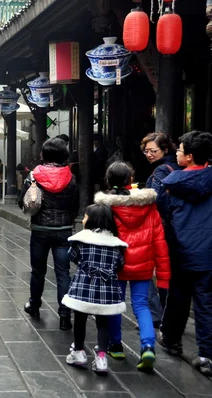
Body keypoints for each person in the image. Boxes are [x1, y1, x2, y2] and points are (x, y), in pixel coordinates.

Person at [94, 161, 170, 372]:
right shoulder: (148, 204)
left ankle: (115, 345)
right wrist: (163, 274)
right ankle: (147, 346)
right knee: (141, 305)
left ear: (109, 180)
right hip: (143, 265)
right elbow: (159, 240)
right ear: (130, 180)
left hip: (115, 264)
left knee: (116, 304)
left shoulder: (106, 206)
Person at [157, 131, 212, 377]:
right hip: (208, 251)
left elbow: (164, 214)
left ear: (189, 157)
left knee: (178, 299)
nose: (176, 153)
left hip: (181, 249)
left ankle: (171, 339)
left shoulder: (172, 185)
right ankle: (207, 355)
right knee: (206, 302)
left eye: (179, 150)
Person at [19, 138, 79, 331]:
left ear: (43, 154)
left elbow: (23, 202)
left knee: (38, 270)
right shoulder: (71, 177)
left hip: (40, 230)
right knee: (63, 273)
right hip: (63, 231)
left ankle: (34, 305)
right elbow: (75, 205)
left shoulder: (34, 175)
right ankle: (64, 315)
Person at [64, 204, 128, 374]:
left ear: (92, 220)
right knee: (103, 322)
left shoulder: (82, 239)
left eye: (85, 217)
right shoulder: (116, 244)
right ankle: (101, 358)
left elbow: (72, 256)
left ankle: (79, 352)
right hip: (107, 290)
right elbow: (120, 264)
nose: (83, 220)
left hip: (84, 287)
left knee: (80, 319)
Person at [141, 132, 180, 329]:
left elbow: (155, 197)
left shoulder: (161, 171)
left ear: (165, 150)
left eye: (153, 151)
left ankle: (156, 314)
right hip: (175, 227)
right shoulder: (176, 166)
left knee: (146, 270)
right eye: (146, 151)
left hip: (158, 227)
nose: (148, 154)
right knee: (166, 272)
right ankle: (166, 314)